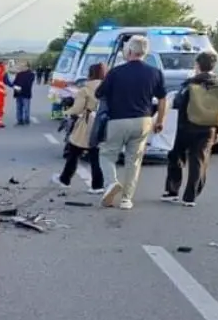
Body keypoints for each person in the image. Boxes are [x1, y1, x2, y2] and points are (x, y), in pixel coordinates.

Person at [94, 36, 168, 210]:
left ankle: (111, 182)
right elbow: (163, 98)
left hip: (117, 120)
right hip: (143, 120)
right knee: (133, 161)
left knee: (106, 154)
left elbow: (99, 94)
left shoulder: (116, 72)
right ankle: (127, 199)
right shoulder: (155, 73)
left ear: (129, 51)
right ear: (145, 53)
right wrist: (160, 121)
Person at [162, 51, 218, 207]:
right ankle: (190, 196)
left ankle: (172, 191)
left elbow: (179, 102)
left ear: (198, 65)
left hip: (185, 126)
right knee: (198, 161)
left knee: (176, 156)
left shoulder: (191, 83)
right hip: (208, 128)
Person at [53, 62, 106, 193]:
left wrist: (65, 113)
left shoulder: (85, 89)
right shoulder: (108, 87)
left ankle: (65, 180)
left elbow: (77, 108)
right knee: (95, 154)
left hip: (88, 122)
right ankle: (98, 185)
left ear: (90, 74)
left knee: (74, 151)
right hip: (103, 122)